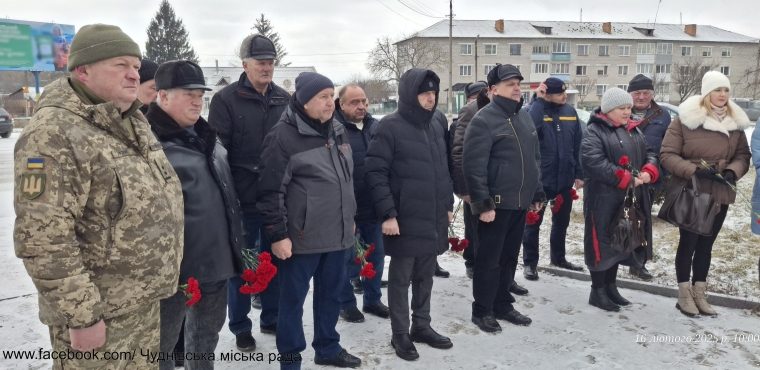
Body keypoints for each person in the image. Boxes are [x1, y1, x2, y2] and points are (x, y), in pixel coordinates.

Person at [13, 24, 183, 368]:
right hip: (99, 317)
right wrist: (82, 317)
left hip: (140, 304)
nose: (134, 75)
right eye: (121, 65)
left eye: (136, 66)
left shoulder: (132, 121)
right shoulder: (54, 133)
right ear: (83, 70)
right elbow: (44, 238)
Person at [258, 72, 361, 369]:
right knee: (291, 303)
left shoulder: (338, 130)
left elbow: (346, 180)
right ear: (304, 101)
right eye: (323, 97)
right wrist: (278, 235)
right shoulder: (282, 137)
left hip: (337, 235)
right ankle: (290, 359)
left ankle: (328, 347)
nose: (331, 103)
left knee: (330, 297)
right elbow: (270, 191)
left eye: (332, 96)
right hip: (300, 239)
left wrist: (349, 218)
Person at [146, 60, 244, 370]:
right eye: (187, 93)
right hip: (172, 273)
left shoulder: (206, 136)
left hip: (215, 263)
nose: (197, 100)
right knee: (160, 347)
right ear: (161, 96)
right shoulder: (148, 145)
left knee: (204, 342)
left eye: (200, 93)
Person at [365, 68, 454, 361]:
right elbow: (376, 173)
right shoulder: (389, 127)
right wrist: (388, 214)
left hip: (432, 216)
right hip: (403, 217)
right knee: (401, 278)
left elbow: (442, 170)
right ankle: (400, 333)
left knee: (425, 276)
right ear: (409, 95)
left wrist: (447, 205)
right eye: (424, 93)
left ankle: (422, 325)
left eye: (433, 93)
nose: (430, 99)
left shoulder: (436, 124)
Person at [208, 34, 289, 351]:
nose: (267, 67)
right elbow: (217, 152)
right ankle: (241, 326)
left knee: (274, 261)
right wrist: (228, 196)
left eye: (270, 62)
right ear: (245, 65)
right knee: (244, 266)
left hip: (278, 198)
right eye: (260, 62)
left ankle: (271, 316)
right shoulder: (226, 99)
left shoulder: (284, 99)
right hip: (242, 199)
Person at [660, 71, 751, 317]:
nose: (722, 95)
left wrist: (733, 171)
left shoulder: (735, 123)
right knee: (688, 243)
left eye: (726, 90)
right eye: (717, 90)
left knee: (707, 245)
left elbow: (743, 155)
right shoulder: (685, 119)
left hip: (720, 192)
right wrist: (694, 171)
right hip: (693, 191)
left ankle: (700, 293)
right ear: (706, 93)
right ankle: (683, 294)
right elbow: (667, 155)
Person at [463, 64, 542, 333]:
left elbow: (534, 160)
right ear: (493, 90)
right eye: (510, 84)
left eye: (518, 83)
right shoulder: (483, 120)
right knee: (489, 259)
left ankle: (502, 303)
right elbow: (474, 166)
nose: (517, 87)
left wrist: (537, 192)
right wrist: (483, 204)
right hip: (495, 206)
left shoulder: (525, 117)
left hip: (519, 201)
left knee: (509, 256)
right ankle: (482, 310)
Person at [581, 87, 659, 312]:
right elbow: (593, 162)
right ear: (608, 110)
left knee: (620, 240)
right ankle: (597, 291)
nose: (627, 112)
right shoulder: (595, 131)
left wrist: (648, 170)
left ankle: (611, 286)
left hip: (627, 199)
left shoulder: (634, 130)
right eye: (622, 108)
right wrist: (626, 178)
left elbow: (650, 152)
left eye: (628, 107)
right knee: (601, 243)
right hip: (602, 199)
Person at [334, 84, 390, 323]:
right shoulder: (333, 130)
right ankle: (346, 303)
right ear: (341, 104)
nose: (361, 106)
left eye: (364, 101)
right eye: (354, 102)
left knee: (376, 255)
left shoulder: (375, 127)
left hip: (374, 205)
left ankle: (372, 299)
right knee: (347, 260)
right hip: (347, 209)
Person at [521, 77, 584, 281]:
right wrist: (538, 101)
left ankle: (558, 258)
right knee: (532, 224)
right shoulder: (534, 110)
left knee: (561, 222)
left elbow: (578, 145)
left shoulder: (570, 112)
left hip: (564, 180)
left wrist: (579, 173)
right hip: (541, 181)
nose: (565, 97)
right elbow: (530, 129)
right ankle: (530, 263)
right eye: (559, 94)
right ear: (547, 94)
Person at [626, 74, 672, 281]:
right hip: (623, 174)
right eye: (637, 93)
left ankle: (638, 263)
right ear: (630, 94)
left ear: (652, 94)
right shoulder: (621, 111)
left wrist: (659, 173)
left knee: (642, 220)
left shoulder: (662, 115)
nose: (641, 97)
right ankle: (616, 259)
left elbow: (667, 147)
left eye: (646, 93)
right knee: (618, 219)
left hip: (649, 176)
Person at [451, 81, 488, 279]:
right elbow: (459, 150)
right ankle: (472, 261)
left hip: (492, 181)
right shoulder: (469, 111)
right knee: (473, 225)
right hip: (473, 181)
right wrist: (463, 188)